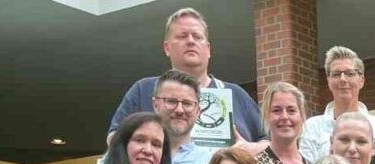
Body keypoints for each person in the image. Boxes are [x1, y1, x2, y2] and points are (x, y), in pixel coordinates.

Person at [107, 8, 266, 150]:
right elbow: (114, 137)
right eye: (182, 36)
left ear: (208, 49)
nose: (190, 41)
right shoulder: (143, 89)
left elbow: (271, 141)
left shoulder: (234, 94)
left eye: (197, 37)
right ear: (167, 48)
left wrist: (251, 148)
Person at [299, 46, 375, 164]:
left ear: (361, 80)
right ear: (328, 81)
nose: (343, 79)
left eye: (349, 73)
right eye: (336, 74)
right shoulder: (313, 126)